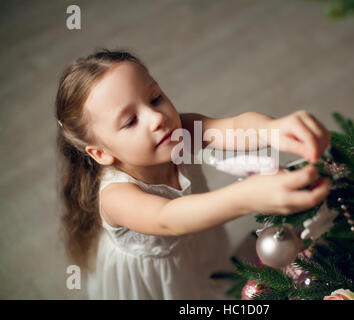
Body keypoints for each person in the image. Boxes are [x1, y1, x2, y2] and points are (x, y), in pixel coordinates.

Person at [55, 49, 331, 299]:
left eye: (155, 98)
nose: (156, 118)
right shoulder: (117, 197)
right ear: (101, 153)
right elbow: (169, 219)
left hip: (199, 245)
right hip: (156, 283)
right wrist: (248, 196)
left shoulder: (182, 132)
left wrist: (274, 129)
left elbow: (236, 127)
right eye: (130, 121)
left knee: (210, 278)